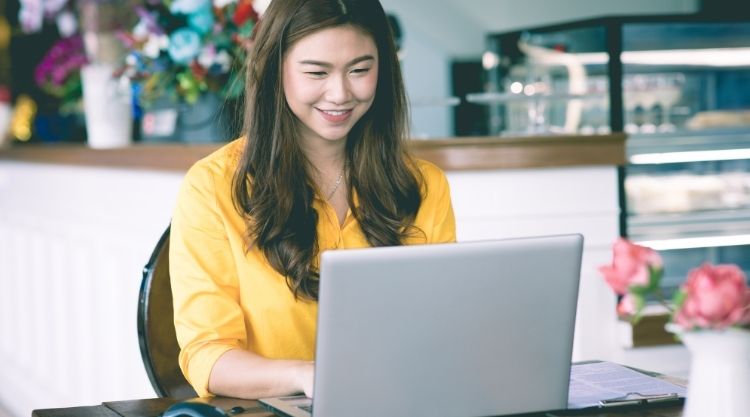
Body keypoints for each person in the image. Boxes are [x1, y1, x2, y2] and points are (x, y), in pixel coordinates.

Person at [169, 0, 456, 400]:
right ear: (275, 70)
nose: (340, 93)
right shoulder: (213, 187)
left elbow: (438, 328)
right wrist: (308, 376)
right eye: (316, 72)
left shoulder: (423, 185)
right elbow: (207, 355)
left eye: (360, 70)